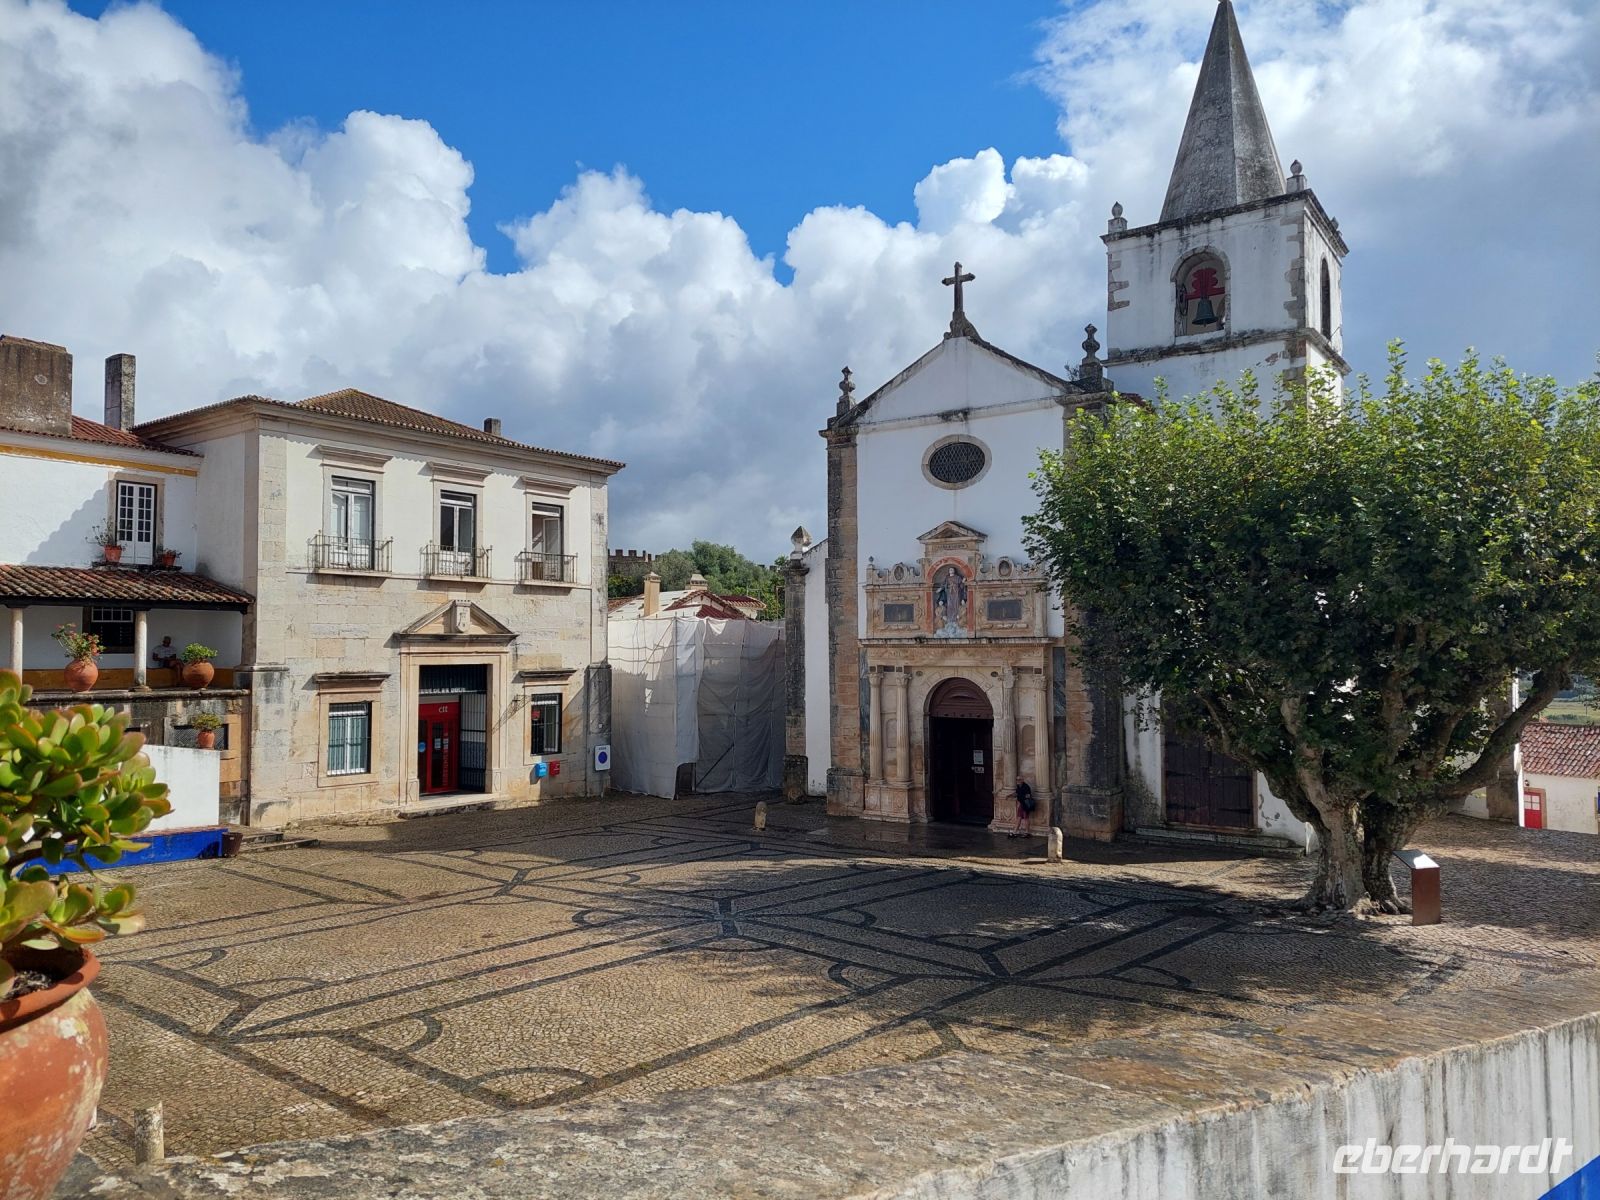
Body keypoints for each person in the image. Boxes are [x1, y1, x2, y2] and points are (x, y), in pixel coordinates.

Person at [1010, 775, 1036, 839]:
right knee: (1019, 817)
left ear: (1022, 780)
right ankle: (1015, 832)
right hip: (1021, 804)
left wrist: (1021, 797)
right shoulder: (1018, 786)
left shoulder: (1026, 787)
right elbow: (1016, 793)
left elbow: (1028, 796)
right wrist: (1009, 795)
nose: (1018, 781)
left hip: (1025, 805)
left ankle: (1027, 832)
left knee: (1026, 818)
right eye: (1017, 779)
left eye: (1019, 779)